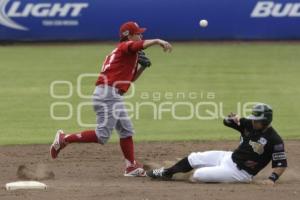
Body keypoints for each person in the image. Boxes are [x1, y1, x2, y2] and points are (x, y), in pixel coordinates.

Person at [50, 21, 172, 177]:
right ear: (129, 35)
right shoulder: (125, 47)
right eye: (138, 33)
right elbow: (138, 45)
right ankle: (64, 138)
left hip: (111, 94)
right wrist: (157, 41)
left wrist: (142, 67)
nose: (141, 35)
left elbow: (129, 80)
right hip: (108, 95)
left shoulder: (126, 54)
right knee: (102, 136)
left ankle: (131, 167)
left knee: (126, 130)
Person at [147, 103, 287, 184]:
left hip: (240, 173)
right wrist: (231, 119)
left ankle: (187, 174)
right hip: (229, 157)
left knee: (198, 175)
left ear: (265, 121)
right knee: (194, 157)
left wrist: (272, 179)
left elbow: (281, 164)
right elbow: (226, 122)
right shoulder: (250, 124)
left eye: (257, 120)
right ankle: (167, 172)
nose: (253, 121)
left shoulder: (274, 139)